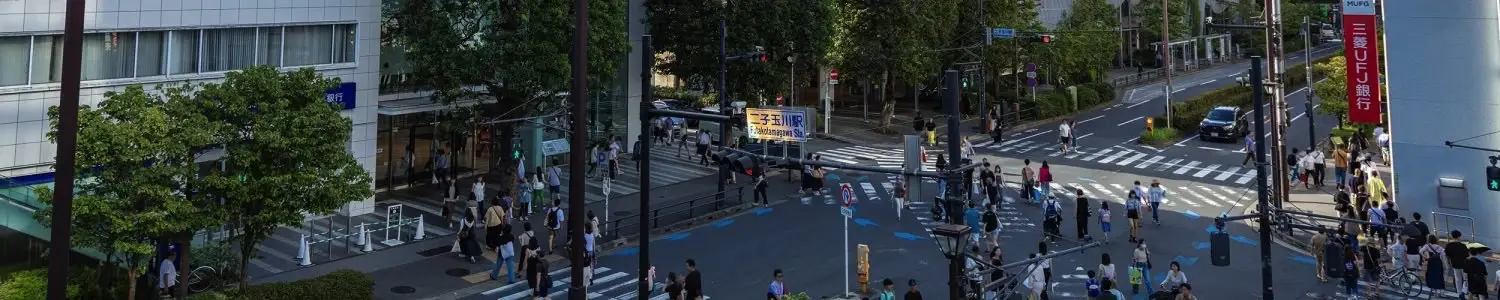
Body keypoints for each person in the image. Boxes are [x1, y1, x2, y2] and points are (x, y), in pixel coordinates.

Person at [1447, 231, 1471, 296]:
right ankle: (1465, 292)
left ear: (1452, 236)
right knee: (1465, 280)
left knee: (1458, 280)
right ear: (1459, 236)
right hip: (1464, 265)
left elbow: (1447, 255)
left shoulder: (1449, 245)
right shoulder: (1463, 246)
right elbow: (1467, 256)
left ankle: (1459, 293)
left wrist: (1449, 262)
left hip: (1455, 264)